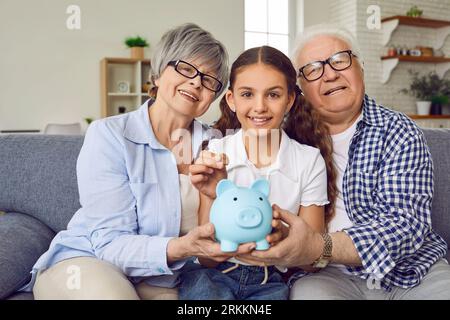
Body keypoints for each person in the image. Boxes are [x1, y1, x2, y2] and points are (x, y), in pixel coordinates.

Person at [21, 23, 256, 300]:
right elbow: (109, 243)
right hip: (89, 261)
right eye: (186, 68)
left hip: (164, 278)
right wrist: (182, 247)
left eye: (208, 80)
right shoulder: (110, 135)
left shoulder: (217, 144)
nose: (196, 82)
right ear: (157, 75)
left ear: (211, 99)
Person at [234, 24, 450, 300]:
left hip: (413, 271)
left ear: (361, 68)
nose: (330, 74)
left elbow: (404, 225)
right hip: (327, 276)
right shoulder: (285, 140)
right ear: (297, 91)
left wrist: (318, 246)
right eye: (313, 69)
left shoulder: (399, 131)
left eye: (340, 60)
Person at [180, 45, 337, 300]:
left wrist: (284, 236)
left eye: (273, 95)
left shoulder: (309, 161)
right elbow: (206, 259)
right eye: (247, 94)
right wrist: (212, 195)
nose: (260, 106)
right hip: (215, 274)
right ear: (231, 100)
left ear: (289, 100)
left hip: (270, 280)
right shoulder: (215, 152)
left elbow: (311, 260)